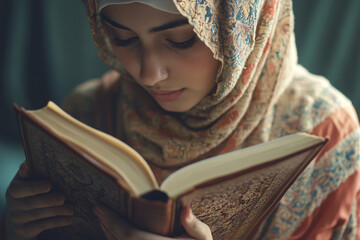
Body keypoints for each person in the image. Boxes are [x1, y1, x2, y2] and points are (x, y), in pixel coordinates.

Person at [2, 0, 360, 239]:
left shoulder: (327, 132)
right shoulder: (88, 112)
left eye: (182, 39)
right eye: (123, 39)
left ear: (242, 27)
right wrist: (16, 227)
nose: (148, 74)